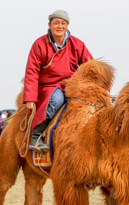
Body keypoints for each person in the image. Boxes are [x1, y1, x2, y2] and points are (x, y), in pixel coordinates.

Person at [23, 10, 93, 153]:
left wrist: (101, 88)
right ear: (49, 25)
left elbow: (90, 66)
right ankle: (36, 136)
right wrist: (29, 98)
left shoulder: (77, 44)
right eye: (56, 23)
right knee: (56, 100)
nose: (59, 26)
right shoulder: (40, 44)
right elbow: (31, 71)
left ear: (67, 25)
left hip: (72, 85)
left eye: (63, 23)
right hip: (50, 86)